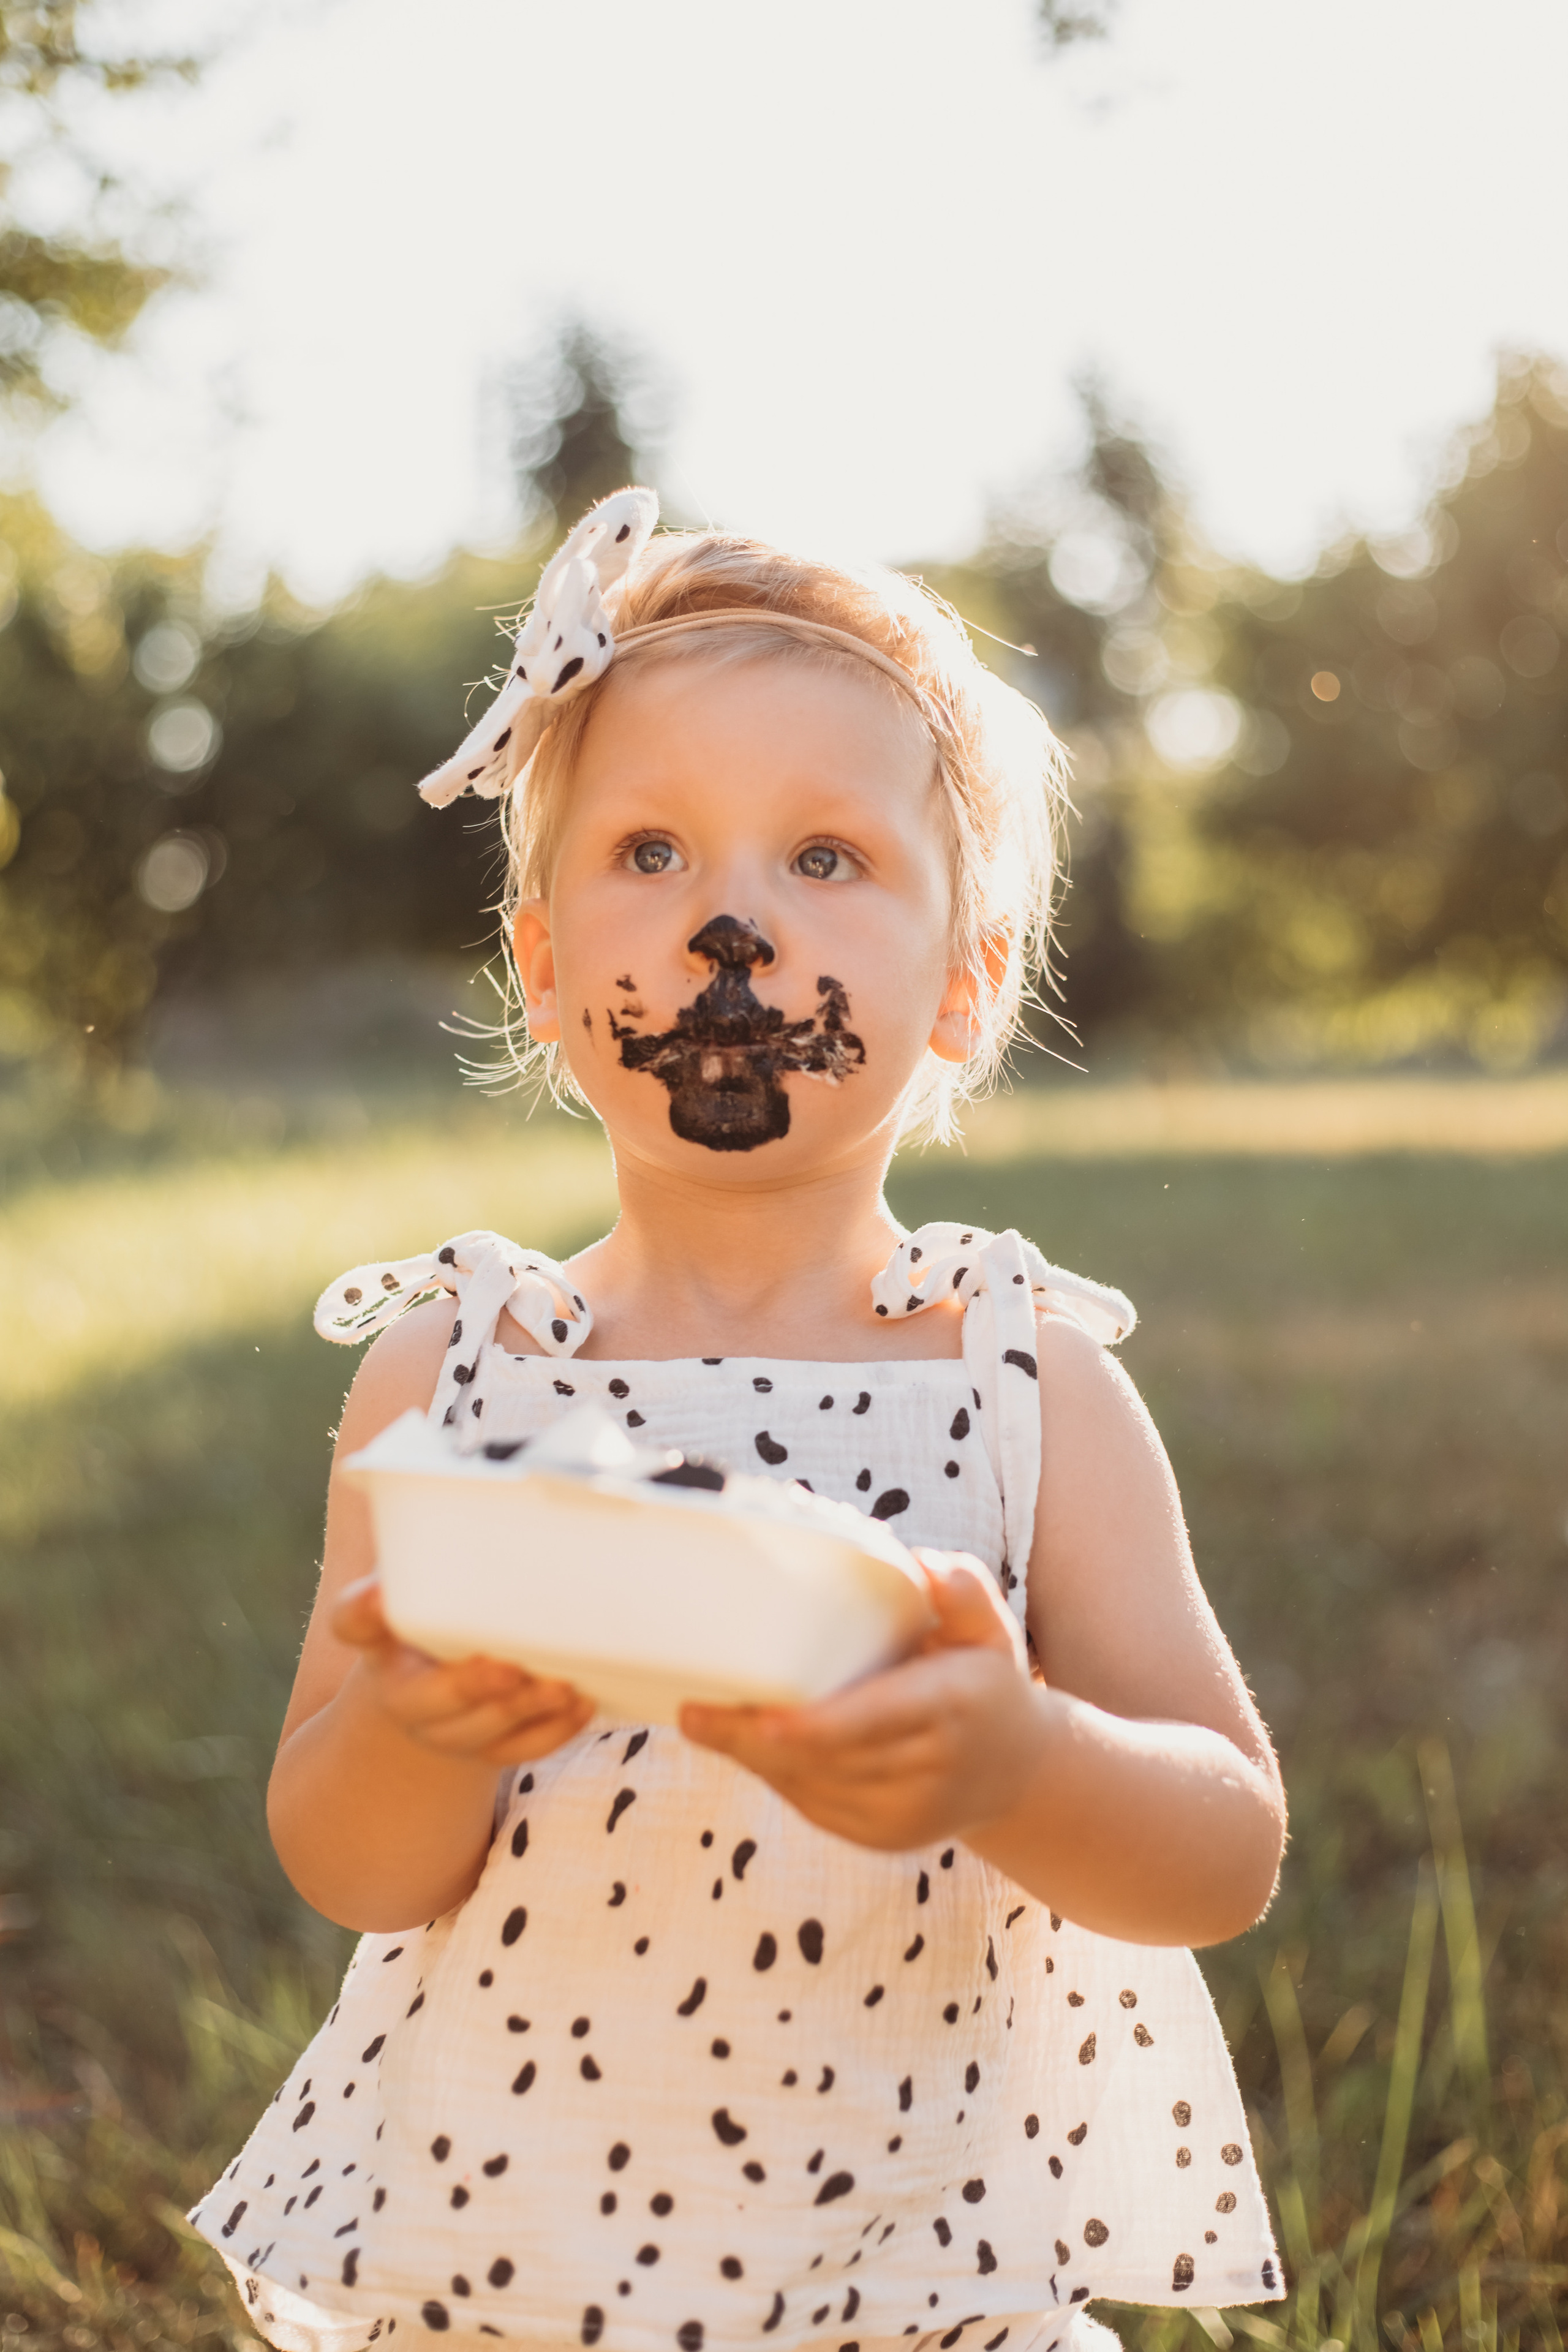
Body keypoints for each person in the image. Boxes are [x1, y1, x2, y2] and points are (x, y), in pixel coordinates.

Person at [190, 490, 1287, 2352]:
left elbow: (1228, 1850)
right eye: (650, 849)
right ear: (544, 968)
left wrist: (1023, 1760)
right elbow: (348, 1861)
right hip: (514, 2269)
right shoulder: (457, 1377)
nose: (729, 922)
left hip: (921, 2277)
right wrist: (413, 1722)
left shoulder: (1024, 1386)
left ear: (967, 985)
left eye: (827, 857)